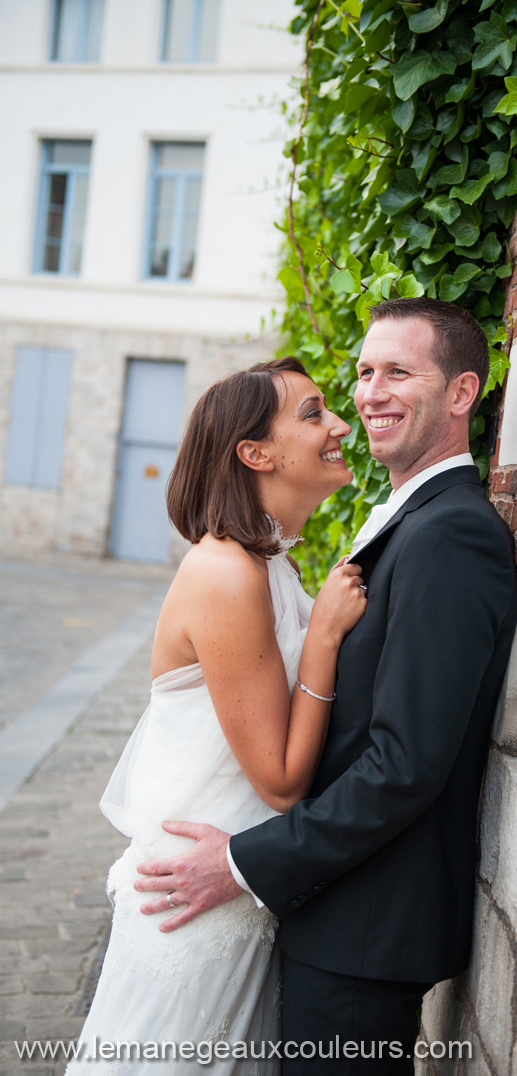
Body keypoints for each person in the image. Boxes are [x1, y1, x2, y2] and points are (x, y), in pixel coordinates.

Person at [135, 297, 517, 1073]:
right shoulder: (403, 523)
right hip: (330, 911)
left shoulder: (453, 535)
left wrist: (245, 863)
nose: (367, 395)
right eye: (364, 372)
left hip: (365, 931)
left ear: (460, 394)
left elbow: (404, 763)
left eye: (398, 372)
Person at [67, 357, 367, 1075]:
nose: (338, 425)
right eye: (312, 413)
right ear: (255, 453)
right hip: (194, 910)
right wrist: (324, 637)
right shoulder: (226, 572)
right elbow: (280, 780)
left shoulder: (269, 566)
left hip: (233, 897)